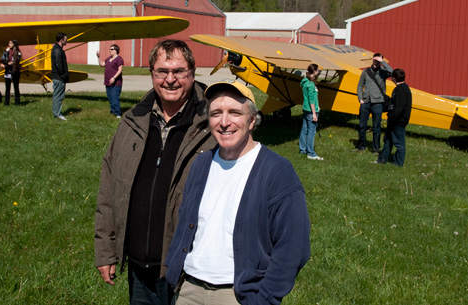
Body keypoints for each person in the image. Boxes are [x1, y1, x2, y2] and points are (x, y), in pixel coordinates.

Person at [94, 39, 218, 305]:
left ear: (192, 73)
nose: (170, 79)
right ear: (152, 73)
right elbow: (108, 190)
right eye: (162, 71)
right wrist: (106, 251)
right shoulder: (132, 122)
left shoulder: (213, 126)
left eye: (179, 71)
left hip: (189, 274)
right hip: (140, 271)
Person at [166, 80, 311, 305]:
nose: (224, 122)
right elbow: (185, 224)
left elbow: (293, 247)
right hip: (189, 289)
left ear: (252, 120)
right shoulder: (202, 163)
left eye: (234, 112)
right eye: (216, 113)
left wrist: (264, 299)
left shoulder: (277, 172)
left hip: (238, 295)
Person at [355, 53, 392, 153]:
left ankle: (376, 148)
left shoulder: (383, 72)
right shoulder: (366, 71)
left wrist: (382, 61)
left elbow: (392, 72)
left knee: (376, 127)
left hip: (378, 103)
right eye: (375, 59)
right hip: (366, 102)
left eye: (378, 60)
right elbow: (359, 86)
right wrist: (361, 99)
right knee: (362, 126)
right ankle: (361, 146)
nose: (376, 61)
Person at [377, 68, 412, 166]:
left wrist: (392, 117)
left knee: (399, 143)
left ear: (394, 78)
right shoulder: (403, 88)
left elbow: (399, 108)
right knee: (388, 140)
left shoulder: (401, 90)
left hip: (397, 121)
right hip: (396, 120)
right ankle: (382, 159)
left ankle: (398, 163)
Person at [299, 63, 324, 161]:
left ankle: (302, 149)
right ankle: (311, 153)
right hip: (310, 111)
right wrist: (314, 113)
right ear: (314, 71)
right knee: (311, 131)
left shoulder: (304, 81)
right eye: (318, 70)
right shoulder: (311, 84)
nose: (318, 72)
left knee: (304, 130)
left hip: (305, 109)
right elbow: (312, 100)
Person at [97, 44, 124, 118]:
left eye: (111, 49)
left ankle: (118, 113)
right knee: (110, 97)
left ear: (116, 50)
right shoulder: (108, 59)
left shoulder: (119, 59)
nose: (110, 50)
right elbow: (102, 64)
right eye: (110, 49)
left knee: (115, 97)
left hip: (116, 83)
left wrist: (114, 78)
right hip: (108, 82)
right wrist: (98, 57)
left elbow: (120, 69)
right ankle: (113, 111)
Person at [51, 33, 68, 120]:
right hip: (59, 77)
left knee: (58, 95)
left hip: (58, 76)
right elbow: (58, 64)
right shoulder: (57, 50)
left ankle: (56, 113)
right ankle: (57, 114)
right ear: (61, 39)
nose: (67, 40)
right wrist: (63, 75)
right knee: (58, 96)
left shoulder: (57, 49)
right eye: (66, 39)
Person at [0, 39, 22, 106]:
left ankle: (17, 102)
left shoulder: (18, 52)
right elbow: (3, 59)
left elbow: (17, 60)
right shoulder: (6, 52)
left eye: (11, 43)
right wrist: (6, 63)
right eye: (9, 43)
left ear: (14, 44)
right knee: (7, 88)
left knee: (16, 87)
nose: (9, 44)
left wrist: (11, 63)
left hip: (15, 71)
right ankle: (6, 103)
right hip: (8, 71)